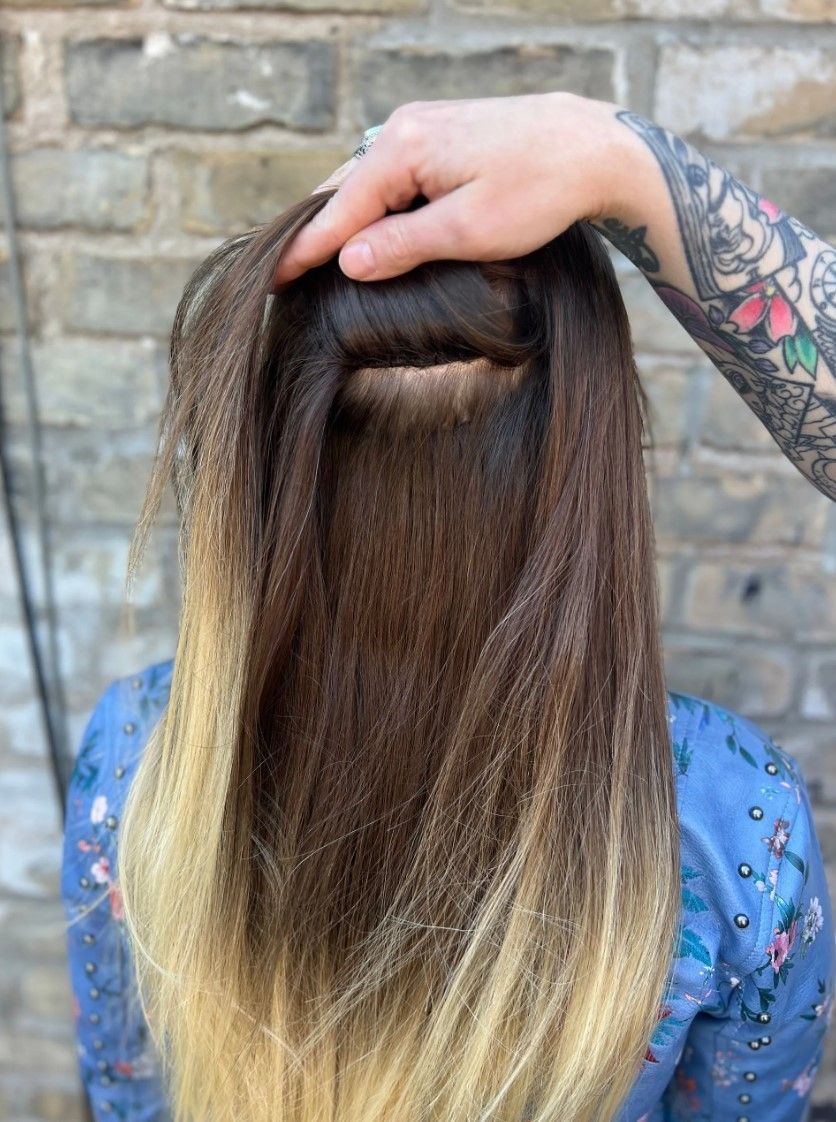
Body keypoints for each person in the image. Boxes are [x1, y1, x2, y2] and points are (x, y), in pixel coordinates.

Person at [61, 92, 835, 1122]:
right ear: (596, 457)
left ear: (270, 462)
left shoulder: (136, 763)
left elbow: (128, 1097)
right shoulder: (735, 827)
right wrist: (624, 166)